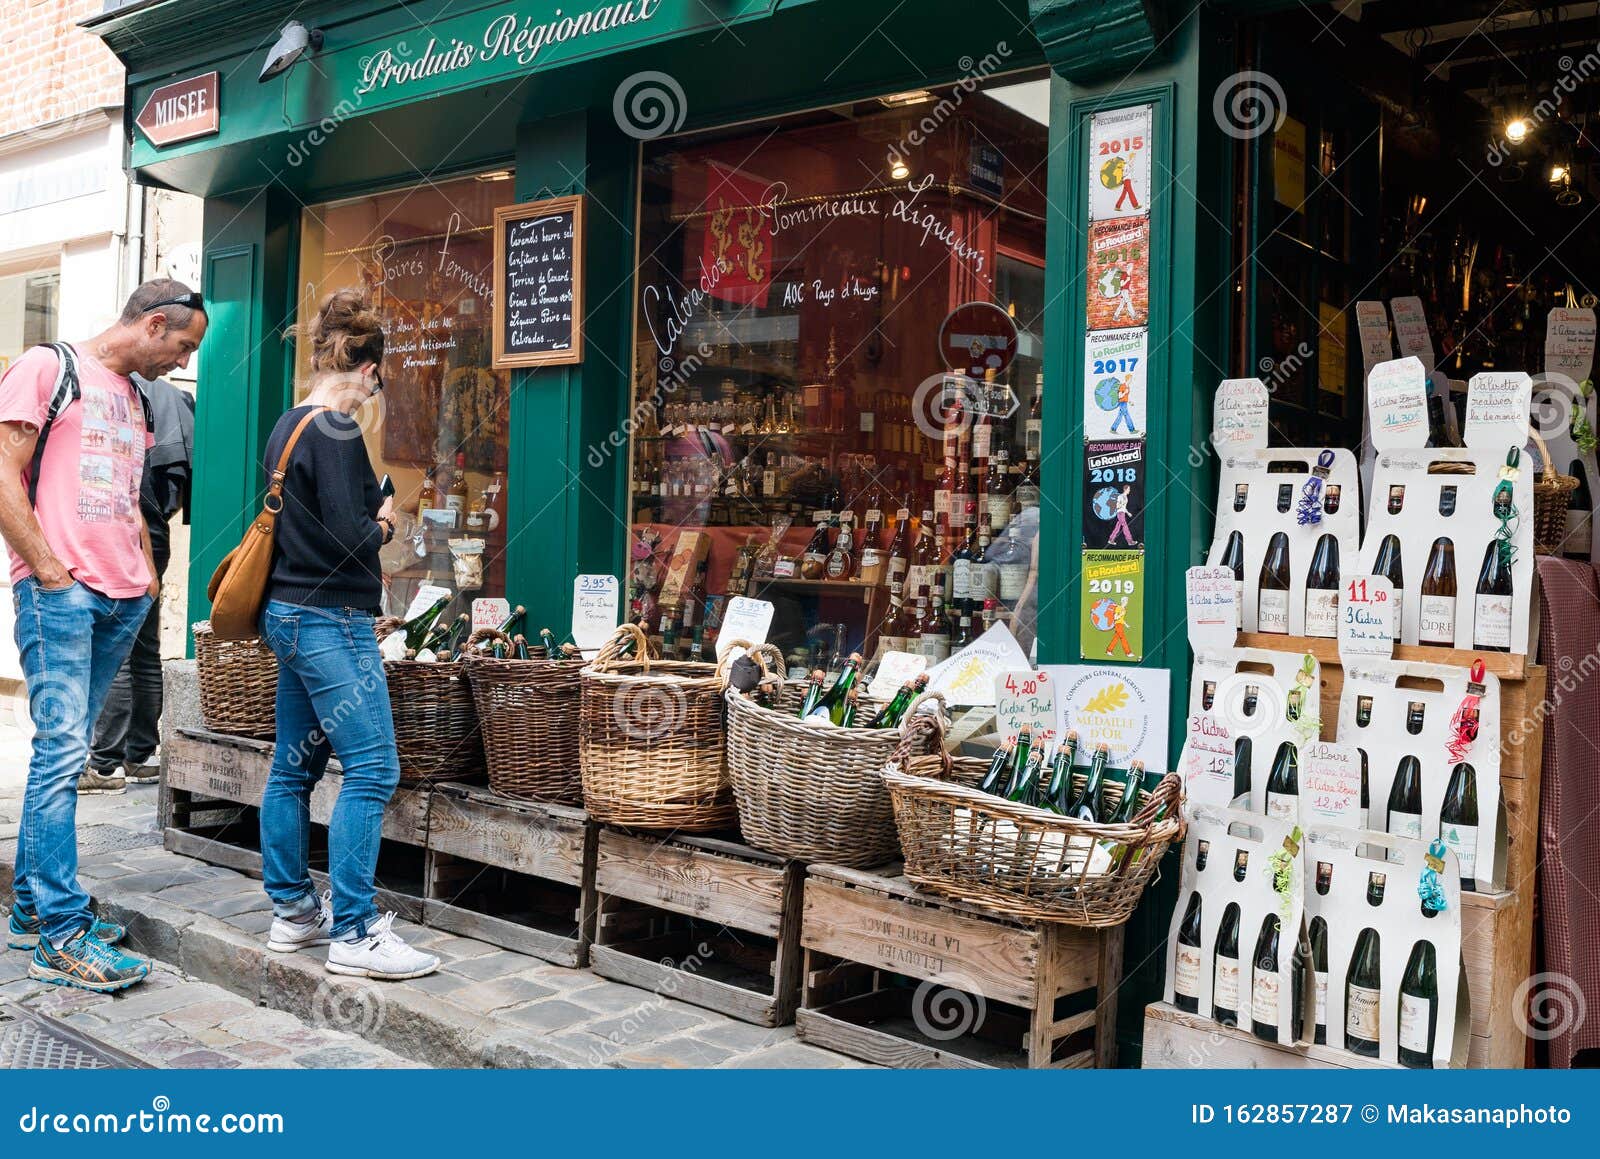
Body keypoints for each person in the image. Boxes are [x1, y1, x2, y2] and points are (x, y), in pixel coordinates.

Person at [0, 279, 206, 991]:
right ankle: (61, 933)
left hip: (122, 598)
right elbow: (3, 471)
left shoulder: (141, 398)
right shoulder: (47, 367)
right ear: (154, 324)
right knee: (62, 754)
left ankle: (31, 908)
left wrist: (147, 577)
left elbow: (128, 494)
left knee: (67, 750)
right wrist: (50, 570)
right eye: (182, 346)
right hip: (62, 596)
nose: (182, 362)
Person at [257, 288, 438, 981]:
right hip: (331, 616)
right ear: (365, 367)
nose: (375, 393)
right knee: (373, 767)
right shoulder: (335, 430)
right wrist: (387, 521)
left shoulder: (290, 423)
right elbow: (348, 541)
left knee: (293, 766)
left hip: (292, 612)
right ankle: (357, 931)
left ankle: (294, 912)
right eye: (378, 379)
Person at [82, 374, 194, 793]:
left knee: (119, 646)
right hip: (156, 529)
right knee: (145, 647)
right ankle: (139, 755)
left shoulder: (119, 391)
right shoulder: (174, 396)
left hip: (127, 525)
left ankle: (105, 764)